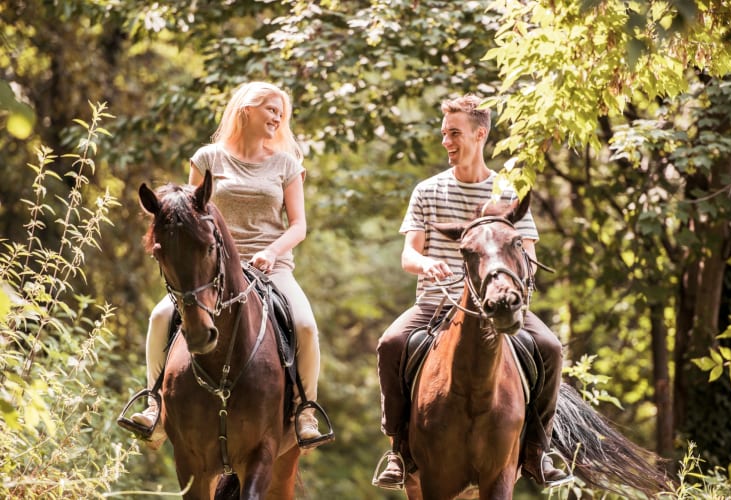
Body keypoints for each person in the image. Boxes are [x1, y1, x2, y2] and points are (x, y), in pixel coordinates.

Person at [373, 94, 571, 489]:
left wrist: (510, 292)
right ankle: (398, 449)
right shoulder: (427, 190)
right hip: (435, 303)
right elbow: (409, 254)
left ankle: (538, 449)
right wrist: (427, 263)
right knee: (390, 343)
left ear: (480, 134)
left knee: (550, 348)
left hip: (498, 303)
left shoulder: (508, 191)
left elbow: (527, 255)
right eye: (444, 133)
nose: (446, 141)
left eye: (454, 133)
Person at [130, 81, 325, 450]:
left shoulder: (286, 164)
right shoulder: (208, 158)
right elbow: (187, 218)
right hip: (214, 269)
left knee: (305, 325)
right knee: (159, 317)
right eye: (270, 109)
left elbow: (299, 225)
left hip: (272, 266)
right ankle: (155, 405)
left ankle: (305, 410)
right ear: (246, 109)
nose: (278, 117)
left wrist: (270, 251)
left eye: (281, 112)